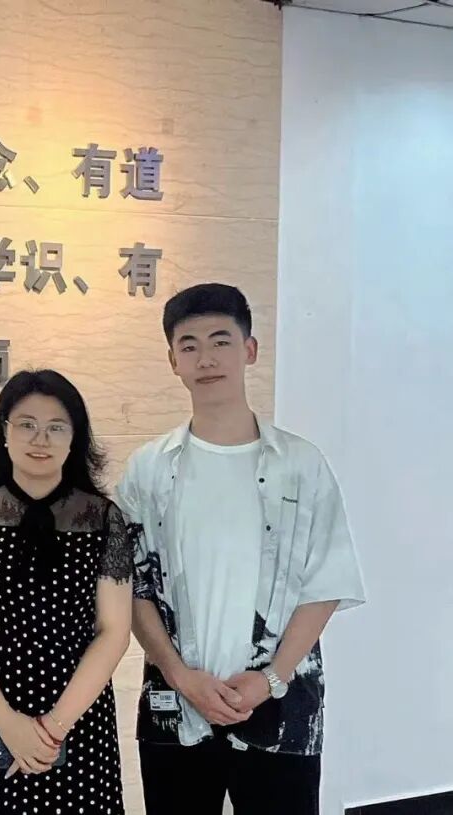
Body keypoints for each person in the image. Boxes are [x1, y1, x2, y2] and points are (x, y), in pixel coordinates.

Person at [116, 283, 366, 815]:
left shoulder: (300, 464)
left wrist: (270, 679)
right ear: (173, 361)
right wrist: (180, 676)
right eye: (189, 346)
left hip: (282, 707)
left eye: (221, 341)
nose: (206, 358)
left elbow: (324, 584)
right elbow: (133, 587)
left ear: (249, 350)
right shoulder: (148, 470)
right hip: (176, 707)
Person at [0, 369, 141, 814]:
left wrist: (53, 728)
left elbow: (114, 633)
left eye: (56, 427)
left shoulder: (103, 519)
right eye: (26, 424)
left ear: (74, 438)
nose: (40, 438)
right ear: (4, 431)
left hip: (78, 713)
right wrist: (9, 724)